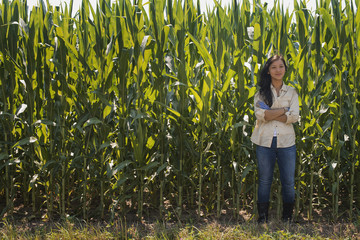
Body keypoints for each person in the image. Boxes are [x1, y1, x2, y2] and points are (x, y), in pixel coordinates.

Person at [251, 55, 299, 223]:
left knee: (288, 181)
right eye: (274, 67)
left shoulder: (292, 92)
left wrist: (271, 112)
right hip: (264, 141)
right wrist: (284, 110)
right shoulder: (261, 93)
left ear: (285, 69)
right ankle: (262, 218)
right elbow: (260, 115)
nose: (278, 70)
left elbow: (294, 117)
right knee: (264, 181)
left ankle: (287, 218)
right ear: (269, 71)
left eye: (281, 66)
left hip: (287, 142)